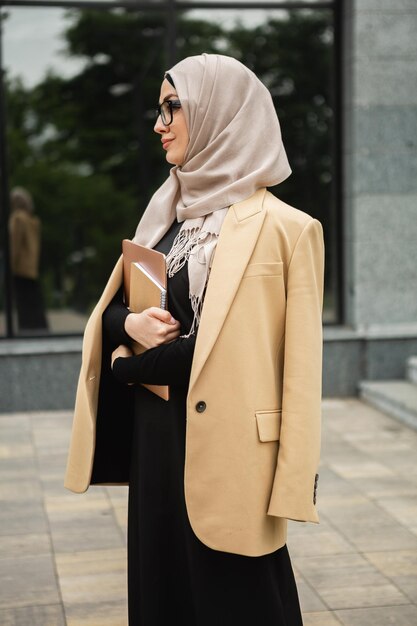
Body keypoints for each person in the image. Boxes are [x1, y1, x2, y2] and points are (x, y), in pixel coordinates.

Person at [65, 53, 324, 625]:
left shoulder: (288, 229)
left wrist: (124, 368)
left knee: (242, 601)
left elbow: (300, 371)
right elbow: (112, 314)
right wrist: (128, 328)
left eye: (172, 107)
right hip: (158, 442)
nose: (159, 124)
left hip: (235, 456)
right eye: (159, 109)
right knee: (165, 597)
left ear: (220, 115)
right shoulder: (166, 216)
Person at [8, 187, 48, 332]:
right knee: (34, 299)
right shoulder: (33, 220)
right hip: (32, 266)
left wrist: (10, 265)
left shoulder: (17, 218)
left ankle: (26, 329)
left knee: (23, 300)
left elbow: (14, 244)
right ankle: (39, 328)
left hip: (20, 266)